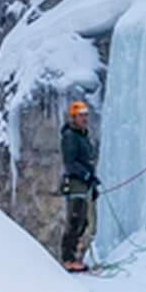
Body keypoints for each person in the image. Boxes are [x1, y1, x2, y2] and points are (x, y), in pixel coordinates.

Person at [59, 98, 99, 272]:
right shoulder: (70, 136)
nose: (84, 118)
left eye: (86, 115)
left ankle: (76, 258)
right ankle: (68, 259)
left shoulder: (82, 135)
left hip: (84, 183)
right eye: (81, 115)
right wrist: (86, 174)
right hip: (76, 183)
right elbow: (70, 162)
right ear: (73, 117)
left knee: (83, 221)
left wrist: (92, 182)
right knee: (75, 220)